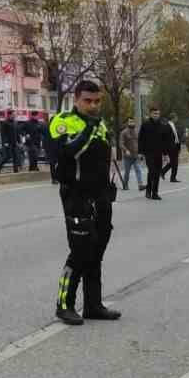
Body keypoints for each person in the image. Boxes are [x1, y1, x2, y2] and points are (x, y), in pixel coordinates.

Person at [49, 80, 120, 325]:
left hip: (100, 196)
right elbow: (67, 153)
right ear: (76, 99)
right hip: (76, 195)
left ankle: (93, 304)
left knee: (96, 251)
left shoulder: (100, 124)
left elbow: (104, 158)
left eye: (97, 101)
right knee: (80, 251)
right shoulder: (62, 121)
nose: (93, 106)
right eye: (87, 101)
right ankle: (64, 304)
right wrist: (88, 129)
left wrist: (109, 186)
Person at [138, 109, 165, 199]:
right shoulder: (145, 125)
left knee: (156, 173)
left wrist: (165, 154)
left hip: (158, 153)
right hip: (148, 152)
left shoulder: (161, 125)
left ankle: (154, 192)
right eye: (154, 113)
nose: (156, 115)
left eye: (158, 114)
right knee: (152, 171)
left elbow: (164, 140)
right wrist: (140, 152)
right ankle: (150, 192)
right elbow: (140, 139)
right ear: (150, 114)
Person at [118, 119, 146, 193]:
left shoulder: (137, 132)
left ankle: (140, 185)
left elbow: (140, 143)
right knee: (127, 172)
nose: (132, 123)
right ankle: (125, 184)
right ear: (127, 123)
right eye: (130, 122)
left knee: (138, 170)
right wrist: (125, 150)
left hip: (136, 155)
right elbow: (121, 144)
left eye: (133, 122)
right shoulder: (123, 133)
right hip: (127, 157)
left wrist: (141, 153)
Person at [160, 113, 182, 182]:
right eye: (176, 117)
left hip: (175, 147)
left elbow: (176, 137)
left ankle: (163, 172)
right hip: (170, 148)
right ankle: (173, 178)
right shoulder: (167, 126)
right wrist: (165, 152)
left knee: (173, 162)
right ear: (173, 118)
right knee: (174, 163)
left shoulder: (174, 125)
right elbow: (164, 139)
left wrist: (178, 147)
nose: (177, 119)